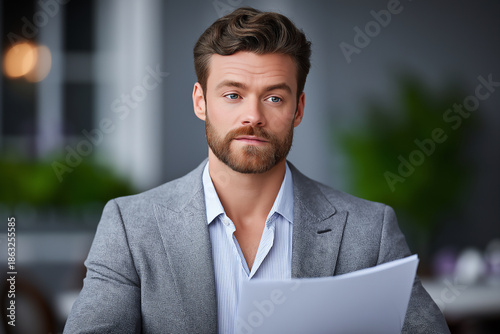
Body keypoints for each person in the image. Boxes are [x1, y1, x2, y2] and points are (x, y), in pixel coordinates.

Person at [64, 7, 450, 334]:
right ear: (201, 102)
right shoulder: (130, 227)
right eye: (233, 95)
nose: (253, 116)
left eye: (274, 97)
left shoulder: (370, 231)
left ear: (298, 110)